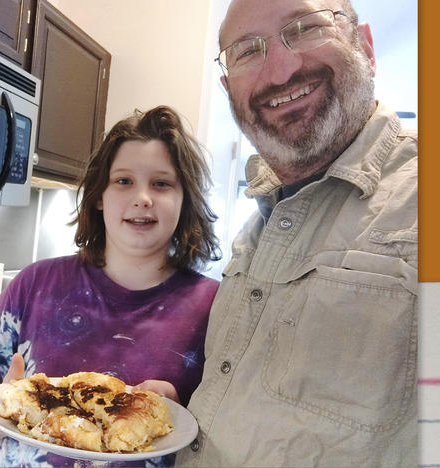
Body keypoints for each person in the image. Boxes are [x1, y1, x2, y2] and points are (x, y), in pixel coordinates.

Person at [176, 0, 418, 467]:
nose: (280, 69)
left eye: (305, 28)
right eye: (247, 51)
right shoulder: (256, 230)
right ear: (229, 89)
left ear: (364, 45)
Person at [0, 105, 223, 467]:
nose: (142, 197)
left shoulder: (216, 307)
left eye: (161, 183)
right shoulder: (36, 283)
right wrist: (8, 404)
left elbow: (227, 432)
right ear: (99, 195)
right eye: (124, 180)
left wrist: (171, 408)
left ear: (184, 199)